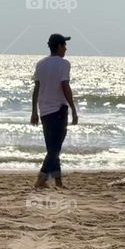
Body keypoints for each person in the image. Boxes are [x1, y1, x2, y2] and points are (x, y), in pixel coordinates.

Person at [30, 33, 79, 188]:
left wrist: (34, 111)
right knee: (54, 149)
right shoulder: (64, 64)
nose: (66, 48)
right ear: (58, 46)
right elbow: (65, 85)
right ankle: (41, 178)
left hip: (44, 110)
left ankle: (58, 182)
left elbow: (36, 88)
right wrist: (73, 108)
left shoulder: (40, 64)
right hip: (58, 109)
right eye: (64, 45)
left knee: (52, 147)